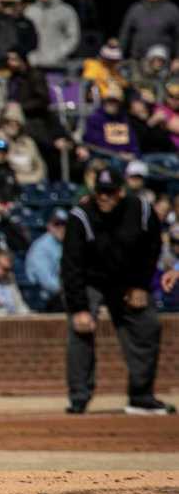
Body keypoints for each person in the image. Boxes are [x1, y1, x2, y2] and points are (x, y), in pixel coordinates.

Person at [62, 168, 171, 415]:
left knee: (148, 325)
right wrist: (79, 307)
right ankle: (79, 396)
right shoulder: (81, 215)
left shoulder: (141, 210)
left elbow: (151, 250)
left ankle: (141, 396)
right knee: (79, 328)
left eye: (110, 192)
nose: (104, 198)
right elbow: (71, 264)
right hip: (90, 279)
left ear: (121, 192)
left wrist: (142, 285)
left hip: (128, 279)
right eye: (100, 192)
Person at [119, 0, 179, 64]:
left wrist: (177, 58)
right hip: (137, 61)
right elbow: (125, 34)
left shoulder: (172, 10)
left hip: (162, 62)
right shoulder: (135, 9)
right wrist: (118, 55)